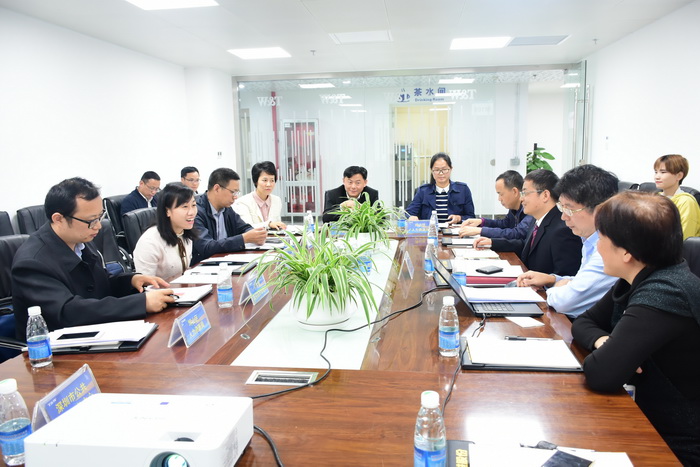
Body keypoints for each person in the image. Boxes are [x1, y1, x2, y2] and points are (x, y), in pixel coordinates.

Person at [571, 191, 700, 465]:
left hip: (675, 443)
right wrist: (603, 341)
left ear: (627, 252)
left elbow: (601, 373)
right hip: (646, 417)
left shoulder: (665, 292)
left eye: (602, 239)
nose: (598, 248)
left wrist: (609, 351)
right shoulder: (640, 275)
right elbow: (583, 322)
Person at [11, 177, 175, 340]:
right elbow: (67, 312)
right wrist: (140, 303)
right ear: (58, 219)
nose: (98, 226)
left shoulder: (80, 240)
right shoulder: (32, 262)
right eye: (91, 220)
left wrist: (131, 280)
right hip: (53, 346)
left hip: (93, 332)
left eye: (100, 217)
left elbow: (99, 284)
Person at [516, 165, 619, 318]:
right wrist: (553, 280)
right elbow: (582, 281)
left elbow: (565, 302)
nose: (564, 217)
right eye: (561, 208)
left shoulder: (609, 250)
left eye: (569, 209)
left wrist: (556, 288)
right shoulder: (589, 240)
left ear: (599, 210)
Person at [474, 169, 581, 276]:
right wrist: (492, 242)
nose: (521, 199)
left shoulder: (563, 230)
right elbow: (526, 246)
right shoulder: (537, 219)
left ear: (545, 195)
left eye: (525, 193)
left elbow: (565, 278)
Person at [191, 168, 267, 265]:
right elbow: (206, 247)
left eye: (237, 192)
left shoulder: (226, 208)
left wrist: (256, 235)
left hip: (225, 262)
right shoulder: (195, 210)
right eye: (233, 192)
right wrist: (243, 238)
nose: (235, 197)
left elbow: (244, 228)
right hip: (203, 266)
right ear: (217, 188)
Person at [133, 182, 197, 279]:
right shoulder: (150, 242)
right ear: (167, 211)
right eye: (185, 207)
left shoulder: (184, 233)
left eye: (193, 205)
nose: (192, 212)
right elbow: (146, 284)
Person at [459, 170, 534, 239]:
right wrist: (481, 221)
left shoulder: (530, 210)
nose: (499, 199)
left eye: (501, 194)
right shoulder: (514, 208)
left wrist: (481, 231)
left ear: (514, 191)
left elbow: (517, 233)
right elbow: (504, 224)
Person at [406, 153, 475, 224]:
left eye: (444, 169)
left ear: (451, 169)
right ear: (432, 171)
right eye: (436, 170)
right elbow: (408, 214)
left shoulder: (463, 190)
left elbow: (471, 217)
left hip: (454, 230)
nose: (441, 173)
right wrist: (411, 217)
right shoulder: (423, 191)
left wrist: (459, 218)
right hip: (430, 230)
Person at [653, 154, 700, 239]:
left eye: (663, 172)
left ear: (679, 176)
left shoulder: (686, 202)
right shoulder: (654, 198)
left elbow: (685, 238)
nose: (657, 177)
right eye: (656, 172)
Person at [233, 161, 286, 230]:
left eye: (272, 180)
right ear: (255, 181)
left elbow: (277, 224)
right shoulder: (243, 202)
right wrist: (269, 224)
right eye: (265, 180)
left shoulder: (277, 200)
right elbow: (246, 227)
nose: (269, 184)